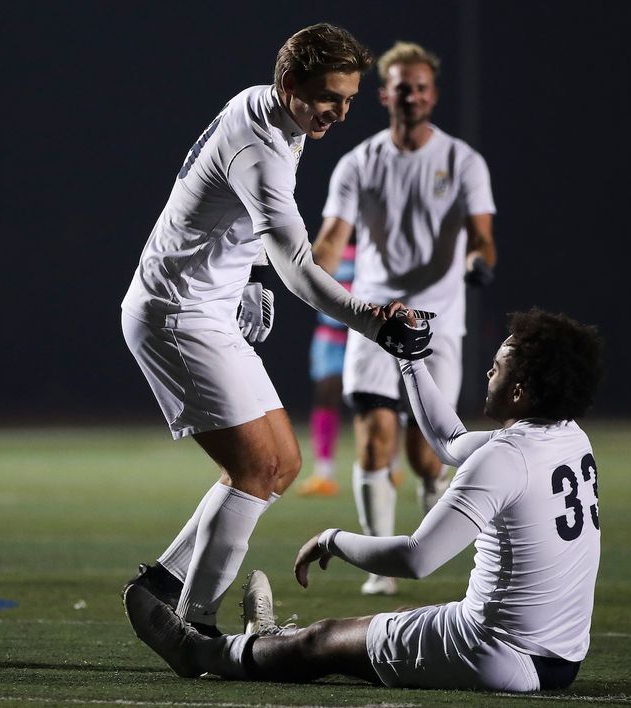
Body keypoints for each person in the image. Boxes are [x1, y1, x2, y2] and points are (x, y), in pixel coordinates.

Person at [119, 23, 435, 638]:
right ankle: (195, 629)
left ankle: (162, 583)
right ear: (289, 84)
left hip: (206, 303)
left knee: (283, 465)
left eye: (348, 99)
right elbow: (299, 266)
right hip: (176, 314)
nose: (340, 113)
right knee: (255, 468)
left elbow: (223, 216)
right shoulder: (262, 144)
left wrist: (244, 276)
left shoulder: (266, 108)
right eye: (328, 99)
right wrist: (372, 322)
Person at [124, 308, 605, 693]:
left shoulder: (507, 457)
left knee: (326, 640)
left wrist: (334, 540)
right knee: (362, 632)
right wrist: (409, 360)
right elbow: (449, 443)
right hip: (561, 657)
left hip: (495, 652)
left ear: (519, 392)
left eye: (497, 368)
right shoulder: (569, 437)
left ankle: (198, 652)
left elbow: (416, 559)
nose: (487, 371)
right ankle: (258, 644)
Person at [311, 41, 498, 595]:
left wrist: (477, 263)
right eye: (401, 86)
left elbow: (483, 237)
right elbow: (331, 239)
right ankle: (378, 567)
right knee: (373, 438)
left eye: (420, 86)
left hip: (438, 320)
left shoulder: (462, 161)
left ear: (432, 95)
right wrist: (297, 275)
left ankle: (432, 514)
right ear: (384, 94)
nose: (411, 95)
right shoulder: (358, 163)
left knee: (427, 452)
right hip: (373, 319)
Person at [297, 239, 356, 498]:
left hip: (363, 337)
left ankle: (389, 465)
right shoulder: (329, 245)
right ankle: (324, 472)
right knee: (325, 397)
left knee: (376, 400)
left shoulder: (375, 245)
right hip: (330, 336)